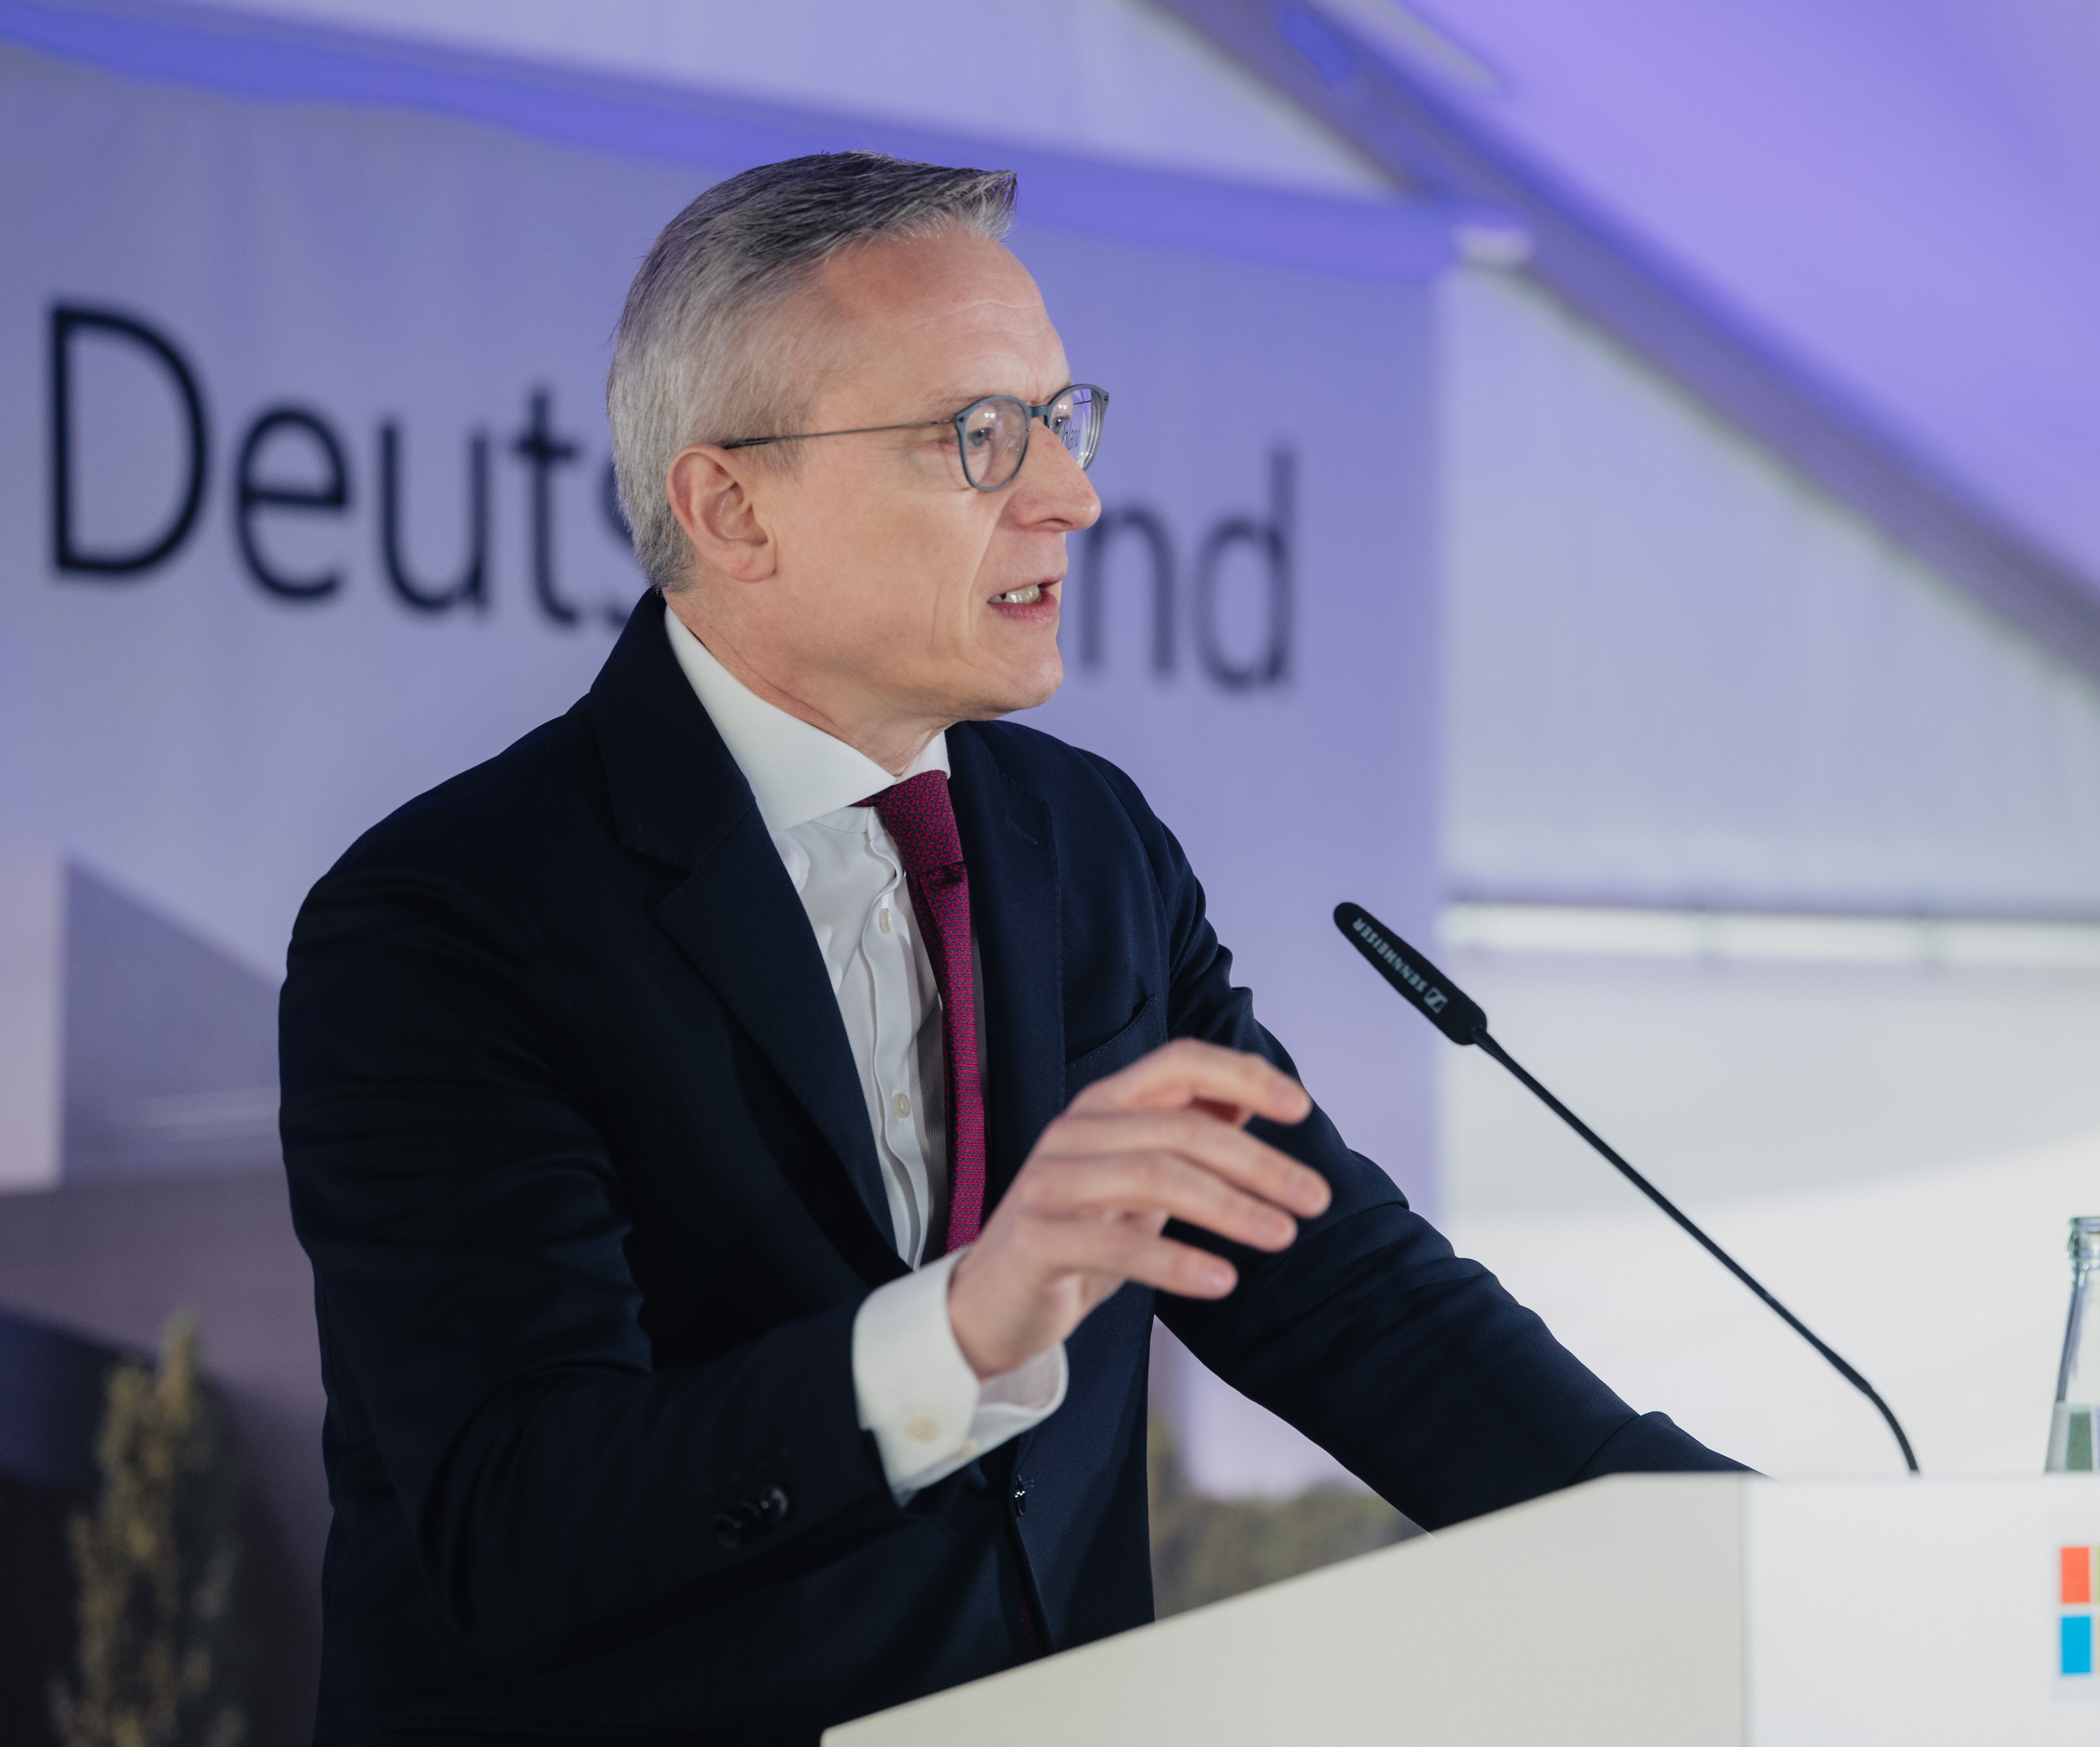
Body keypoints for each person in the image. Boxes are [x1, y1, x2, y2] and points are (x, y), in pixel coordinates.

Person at [280, 151, 1741, 1747]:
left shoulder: (1085, 843)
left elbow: (1343, 1298)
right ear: (732, 509)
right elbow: (523, 1522)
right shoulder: (444, 923)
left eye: (1061, 420)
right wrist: (962, 1331)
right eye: (977, 435)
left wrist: (1734, 1555)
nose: (1070, 496)